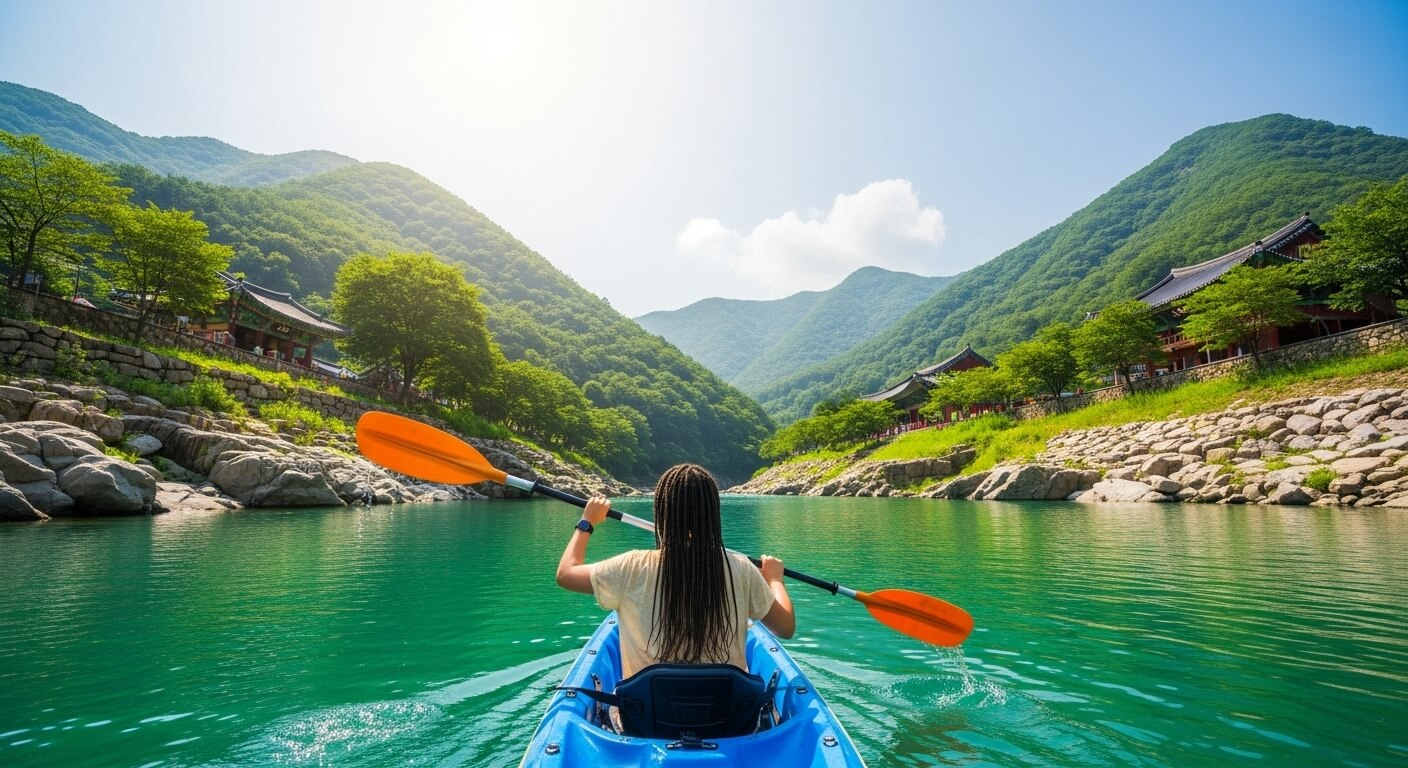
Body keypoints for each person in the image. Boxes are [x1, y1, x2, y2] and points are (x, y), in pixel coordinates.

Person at [555, 463, 795, 680]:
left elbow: (566, 574)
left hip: (646, 717)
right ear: (712, 513)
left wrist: (587, 522)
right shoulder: (742, 568)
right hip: (726, 717)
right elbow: (785, 628)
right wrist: (775, 580)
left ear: (662, 511)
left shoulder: (630, 567)